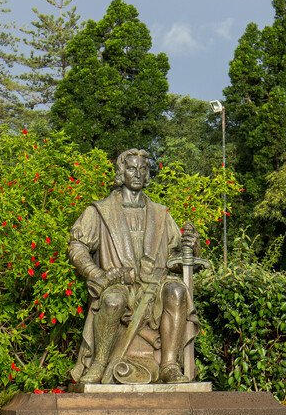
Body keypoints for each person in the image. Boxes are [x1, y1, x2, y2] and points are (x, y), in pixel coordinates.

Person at [68, 149, 200, 385]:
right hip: (120, 285)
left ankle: (169, 365)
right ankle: (98, 363)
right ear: (121, 172)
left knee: (177, 291)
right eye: (131, 168)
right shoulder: (100, 211)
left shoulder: (161, 214)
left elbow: (178, 259)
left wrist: (191, 247)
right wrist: (96, 274)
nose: (137, 174)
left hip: (155, 285)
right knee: (112, 301)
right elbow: (77, 247)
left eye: (143, 169)